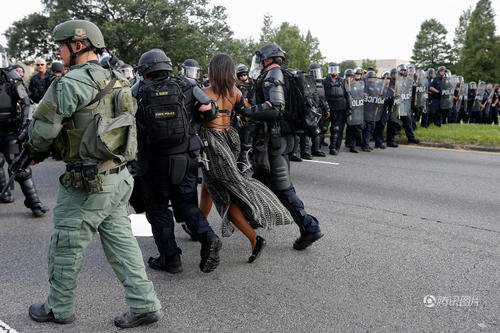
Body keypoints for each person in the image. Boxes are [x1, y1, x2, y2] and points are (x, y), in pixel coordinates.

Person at [26, 19, 161, 329]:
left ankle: (58, 308)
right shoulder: (117, 78)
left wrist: (33, 147)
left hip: (88, 183)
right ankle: (144, 304)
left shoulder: (70, 82)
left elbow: (41, 136)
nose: (58, 53)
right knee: (122, 243)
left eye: (60, 47)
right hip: (118, 177)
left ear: (77, 45)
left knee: (65, 245)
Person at [132, 48, 223, 274]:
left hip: (153, 162)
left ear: (145, 70)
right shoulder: (187, 85)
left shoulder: (138, 90)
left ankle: (170, 259)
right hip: (186, 158)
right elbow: (211, 111)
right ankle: (208, 237)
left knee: (158, 209)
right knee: (186, 205)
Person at [199, 53, 293, 262]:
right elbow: (247, 114)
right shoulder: (236, 92)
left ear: (213, 71)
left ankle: (254, 237)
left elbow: (195, 119)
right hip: (230, 139)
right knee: (208, 185)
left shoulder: (203, 93)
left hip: (212, 143)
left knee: (223, 196)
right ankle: (198, 226)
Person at [247, 43, 323, 250]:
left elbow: (276, 108)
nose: (259, 63)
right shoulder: (283, 75)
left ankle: (309, 227)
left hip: (277, 140)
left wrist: (247, 112)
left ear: (268, 59)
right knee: (260, 179)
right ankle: (256, 217)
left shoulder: (273, 76)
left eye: (261, 59)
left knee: (283, 187)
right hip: (283, 138)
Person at [0, 47, 48, 217]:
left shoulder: (11, 77)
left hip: (10, 129)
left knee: (19, 167)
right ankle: (5, 194)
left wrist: (25, 124)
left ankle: (34, 202)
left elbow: (26, 103)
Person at [323, 63, 349, 155]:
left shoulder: (342, 81)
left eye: (335, 69)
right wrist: (326, 108)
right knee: (323, 127)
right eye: (332, 69)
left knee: (336, 128)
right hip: (328, 107)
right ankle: (317, 147)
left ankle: (333, 147)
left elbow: (347, 95)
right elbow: (322, 96)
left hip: (340, 107)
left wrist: (349, 108)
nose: (334, 71)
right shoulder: (325, 81)